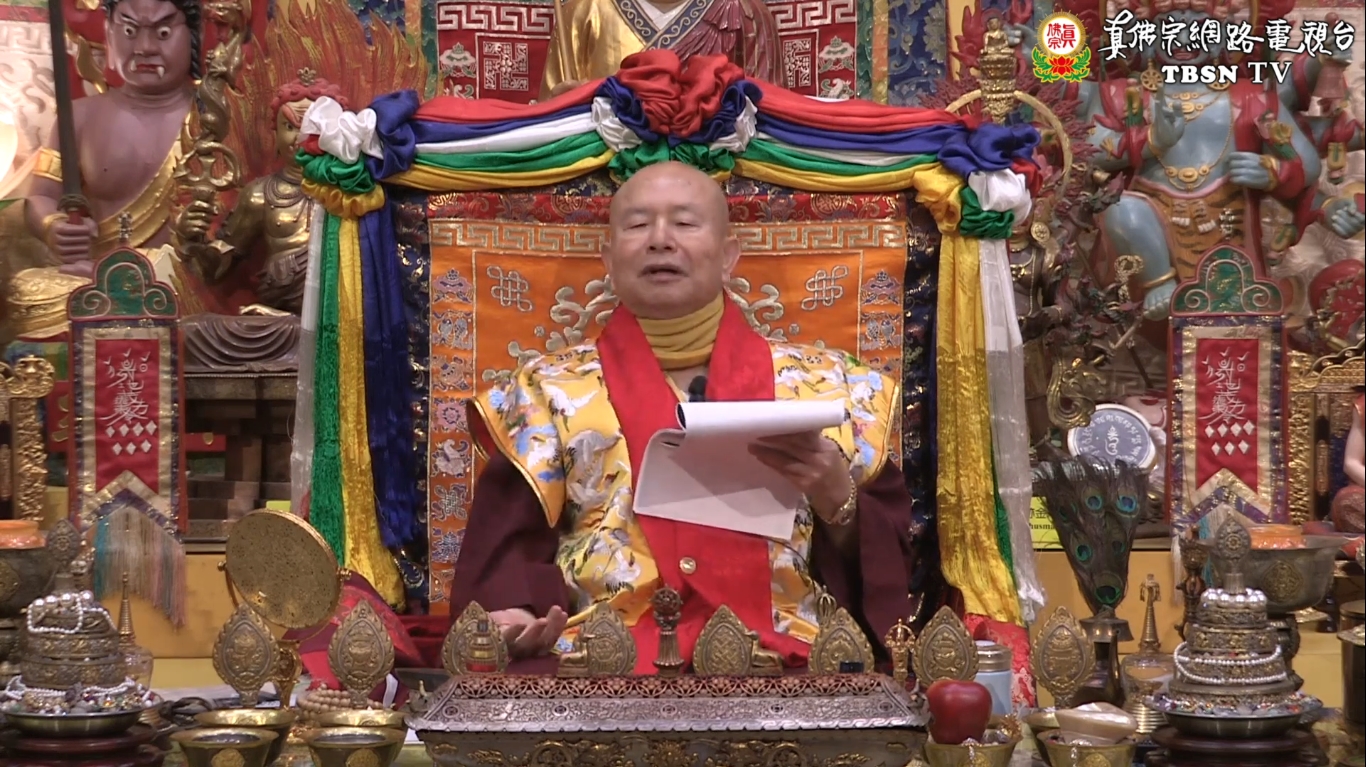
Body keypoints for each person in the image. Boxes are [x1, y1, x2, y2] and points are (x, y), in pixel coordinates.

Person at [449, 161, 929, 673]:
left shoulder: (830, 385)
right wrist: (512, 613)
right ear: (608, 258)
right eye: (638, 224)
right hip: (603, 658)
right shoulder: (544, 388)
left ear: (728, 256)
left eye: (684, 223)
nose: (660, 240)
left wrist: (838, 500)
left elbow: (891, 571)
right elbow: (506, 555)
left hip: (786, 655)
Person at [539, 0, 784, 100]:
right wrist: (573, 105)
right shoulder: (584, 9)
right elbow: (550, 121)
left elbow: (773, 116)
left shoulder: (745, 13)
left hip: (716, 171)